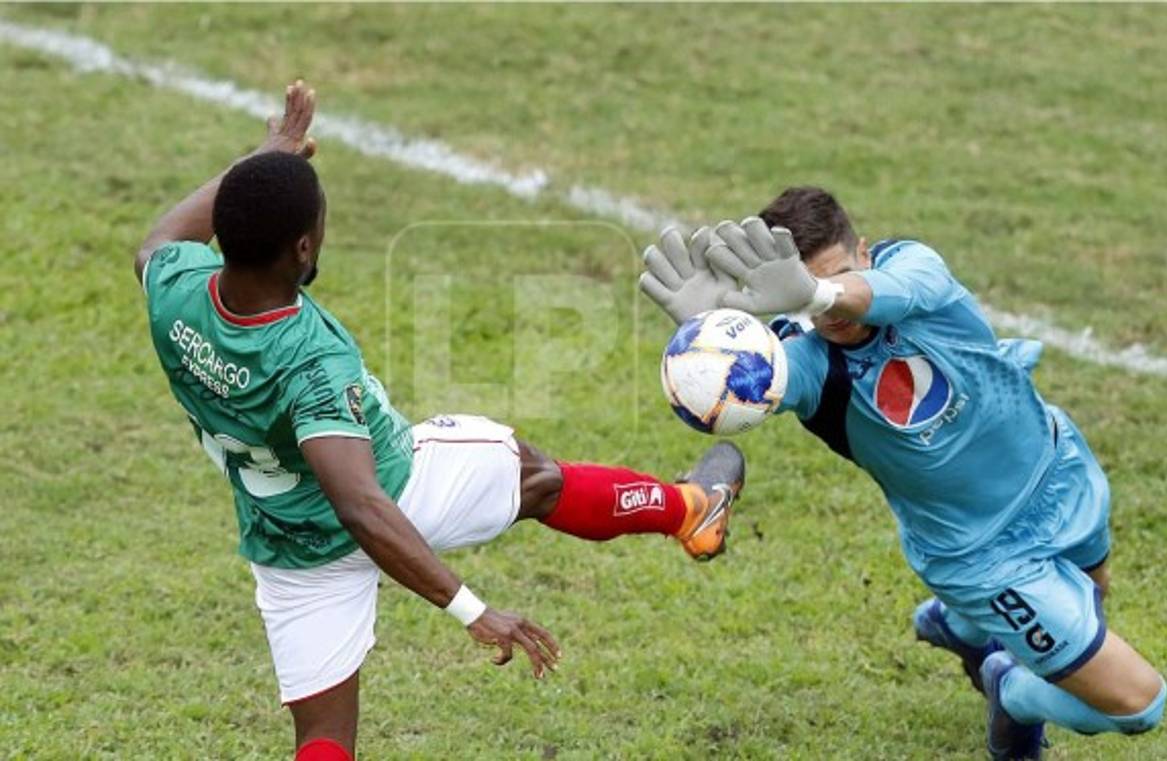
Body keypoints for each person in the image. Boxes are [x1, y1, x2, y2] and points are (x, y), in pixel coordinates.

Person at [136, 80, 745, 761]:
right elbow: (362, 505)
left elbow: (160, 237)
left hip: (287, 545)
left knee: (325, 735)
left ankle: (690, 512)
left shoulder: (174, 290)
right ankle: (690, 509)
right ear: (303, 249)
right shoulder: (312, 362)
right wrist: (473, 610)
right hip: (403, 491)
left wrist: (267, 153)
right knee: (534, 476)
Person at [639, 186, 1166, 759]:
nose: (828, 313)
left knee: (1093, 593)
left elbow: (899, 290)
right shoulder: (809, 366)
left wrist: (817, 292)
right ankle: (1012, 692)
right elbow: (753, 387)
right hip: (983, 556)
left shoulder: (913, 266)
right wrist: (709, 343)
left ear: (864, 252)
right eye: (803, 299)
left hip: (1062, 472)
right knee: (1138, 703)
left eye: (836, 278)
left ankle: (959, 628)